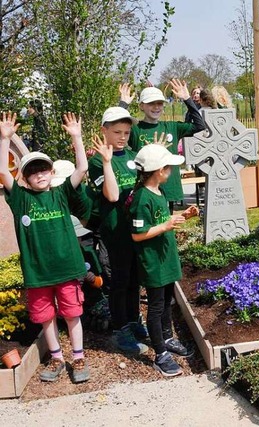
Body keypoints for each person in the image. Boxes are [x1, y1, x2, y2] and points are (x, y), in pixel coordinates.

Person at [0, 111, 90, 383]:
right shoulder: (21, 200)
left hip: (67, 269)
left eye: (43, 169)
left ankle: (78, 356)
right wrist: (5, 139)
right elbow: (3, 171)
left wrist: (76, 137)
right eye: (32, 172)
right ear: (25, 178)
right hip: (38, 273)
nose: (39, 175)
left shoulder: (62, 193)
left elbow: (82, 169)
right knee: (45, 317)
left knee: (73, 314)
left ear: (51, 172)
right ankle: (57, 358)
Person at [128, 144, 199, 377]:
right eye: (169, 168)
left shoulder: (159, 191)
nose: (171, 171)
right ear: (159, 170)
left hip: (166, 258)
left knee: (167, 302)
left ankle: (167, 337)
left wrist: (180, 216)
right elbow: (137, 234)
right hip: (153, 263)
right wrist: (166, 225)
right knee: (156, 307)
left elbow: (161, 220)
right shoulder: (141, 198)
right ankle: (160, 354)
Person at [88, 107, 150, 354]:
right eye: (117, 132)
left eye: (126, 132)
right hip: (115, 233)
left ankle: (134, 320)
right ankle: (120, 327)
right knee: (119, 282)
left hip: (135, 230)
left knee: (135, 279)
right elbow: (112, 195)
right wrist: (106, 161)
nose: (123, 137)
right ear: (104, 130)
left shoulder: (134, 156)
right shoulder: (97, 161)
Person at [121, 79, 206, 211]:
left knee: (167, 224)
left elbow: (200, 126)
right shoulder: (136, 129)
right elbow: (114, 127)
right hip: (145, 189)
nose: (156, 107)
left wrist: (187, 99)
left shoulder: (172, 127)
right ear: (141, 106)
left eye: (159, 103)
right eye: (151, 103)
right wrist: (123, 105)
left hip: (169, 186)